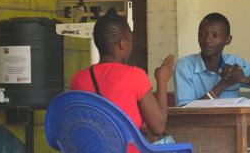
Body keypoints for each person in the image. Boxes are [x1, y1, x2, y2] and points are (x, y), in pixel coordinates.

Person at [71, 8, 175, 152]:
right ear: (123, 43)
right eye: (131, 40)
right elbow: (158, 128)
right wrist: (162, 81)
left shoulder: (79, 79)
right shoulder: (135, 76)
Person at [174, 12, 250, 107]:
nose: (207, 39)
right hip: (200, 129)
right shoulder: (185, 66)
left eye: (214, 35)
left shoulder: (235, 63)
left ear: (227, 40)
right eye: (202, 34)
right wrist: (223, 85)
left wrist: (244, 79)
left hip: (234, 126)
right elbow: (186, 112)